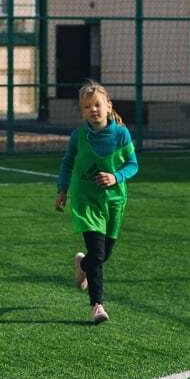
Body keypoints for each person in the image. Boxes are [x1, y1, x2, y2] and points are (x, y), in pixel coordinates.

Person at [55, 80, 139, 324]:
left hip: (114, 201)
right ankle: (97, 306)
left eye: (97, 105)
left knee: (103, 254)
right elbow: (67, 163)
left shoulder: (121, 134)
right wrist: (62, 190)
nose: (93, 110)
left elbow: (133, 165)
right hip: (86, 200)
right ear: (82, 111)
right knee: (98, 251)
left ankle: (83, 264)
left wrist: (116, 177)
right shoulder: (78, 136)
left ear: (108, 106)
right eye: (87, 107)